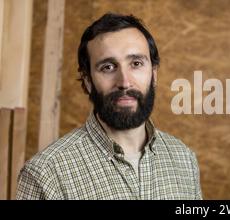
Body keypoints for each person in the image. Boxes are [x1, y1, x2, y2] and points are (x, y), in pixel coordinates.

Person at [16, 13, 202, 200]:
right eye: (108, 67)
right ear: (88, 81)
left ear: (154, 74)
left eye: (136, 64)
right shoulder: (45, 175)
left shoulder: (184, 159)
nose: (124, 82)